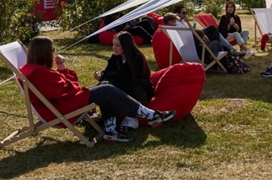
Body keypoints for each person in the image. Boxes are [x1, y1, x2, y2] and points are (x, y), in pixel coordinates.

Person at [21, 36, 174, 143]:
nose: (54, 52)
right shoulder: (40, 73)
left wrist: (62, 69)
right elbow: (68, 88)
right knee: (106, 89)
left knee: (105, 86)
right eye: (52, 49)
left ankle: (111, 131)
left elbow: (63, 87)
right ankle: (152, 115)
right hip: (64, 108)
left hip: (64, 103)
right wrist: (66, 76)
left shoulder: (33, 70)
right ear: (44, 53)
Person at [93, 31, 155, 131]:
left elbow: (124, 76)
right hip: (120, 87)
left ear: (126, 46)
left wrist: (106, 77)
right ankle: (110, 121)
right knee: (105, 88)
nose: (114, 47)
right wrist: (101, 75)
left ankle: (115, 121)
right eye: (113, 44)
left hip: (137, 90)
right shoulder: (116, 57)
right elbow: (108, 71)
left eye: (118, 45)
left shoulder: (136, 58)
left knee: (107, 88)